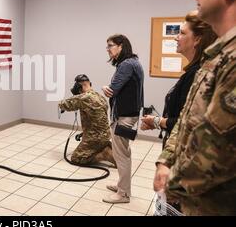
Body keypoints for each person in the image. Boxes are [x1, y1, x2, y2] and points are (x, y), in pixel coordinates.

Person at [154, 0, 236, 215]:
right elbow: (187, 120)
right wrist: (165, 161)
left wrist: (172, 186)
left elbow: (216, 150)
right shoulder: (214, 57)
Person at [141, 11, 217, 149]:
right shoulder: (194, 70)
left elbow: (188, 122)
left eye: (182, 33)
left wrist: (157, 121)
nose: (176, 37)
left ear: (198, 39)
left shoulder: (196, 74)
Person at [101, 34, 144, 204]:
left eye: (110, 45)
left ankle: (124, 194)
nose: (108, 49)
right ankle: (122, 186)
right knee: (122, 153)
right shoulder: (134, 62)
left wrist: (106, 87)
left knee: (122, 155)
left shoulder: (126, 65)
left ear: (121, 46)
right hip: (129, 113)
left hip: (124, 116)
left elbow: (113, 89)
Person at [58, 75, 116, 166]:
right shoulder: (100, 97)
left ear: (80, 87)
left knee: (76, 158)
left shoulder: (83, 98)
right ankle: (106, 146)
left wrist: (62, 104)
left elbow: (63, 104)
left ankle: (104, 154)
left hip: (95, 138)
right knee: (95, 143)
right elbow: (97, 120)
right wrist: (83, 133)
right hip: (106, 134)